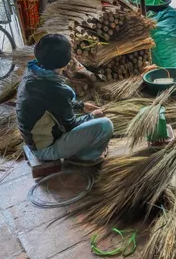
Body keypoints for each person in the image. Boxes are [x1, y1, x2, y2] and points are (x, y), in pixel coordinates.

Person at [16, 34, 113, 164]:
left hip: (34, 139)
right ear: (65, 61)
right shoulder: (55, 90)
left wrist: (80, 106)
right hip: (45, 149)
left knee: (79, 113)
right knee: (105, 125)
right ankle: (85, 156)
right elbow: (70, 126)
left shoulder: (32, 71)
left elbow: (51, 104)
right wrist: (93, 115)